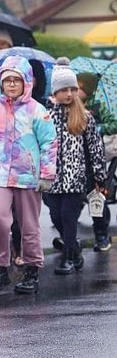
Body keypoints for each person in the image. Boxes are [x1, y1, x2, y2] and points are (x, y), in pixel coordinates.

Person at [0, 56, 57, 295]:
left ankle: (32, 270)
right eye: (7, 80)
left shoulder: (37, 110)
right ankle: (0, 268)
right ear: (0, 83)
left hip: (28, 177)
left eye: (17, 80)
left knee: (29, 226)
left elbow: (48, 143)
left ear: (27, 82)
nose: (12, 84)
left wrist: (47, 174)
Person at [45, 65, 107, 274]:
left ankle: (68, 257)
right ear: (55, 92)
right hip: (52, 179)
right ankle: (74, 247)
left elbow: (95, 148)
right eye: (64, 90)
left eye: (72, 89)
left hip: (76, 178)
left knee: (68, 216)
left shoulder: (85, 116)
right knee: (56, 216)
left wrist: (99, 177)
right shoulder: (46, 117)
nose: (69, 94)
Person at [78, 70, 117, 250]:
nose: (75, 91)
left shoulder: (98, 106)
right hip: (74, 159)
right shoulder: (68, 105)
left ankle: (101, 235)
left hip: (94, 156)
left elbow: (113, 123)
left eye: (79, 87)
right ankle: (68, 237)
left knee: (95, 196)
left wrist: (98, 127)